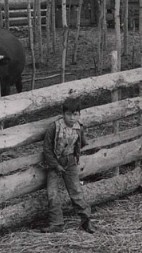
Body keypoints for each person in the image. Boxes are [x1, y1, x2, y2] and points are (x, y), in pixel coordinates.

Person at [41, 98, 95, 233]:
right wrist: (55, 165)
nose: (72, 118)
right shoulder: (54, 127)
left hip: (70, 162)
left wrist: (75, 156)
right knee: (52, 193)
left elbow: (81, 143)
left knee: (76, 191)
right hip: (55, 163)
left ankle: (86, 220)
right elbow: (47, 149)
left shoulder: (79, 127)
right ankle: (56, 223)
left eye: (75, 114)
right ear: (63, 114)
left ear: (79, 115)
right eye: (69, 114)